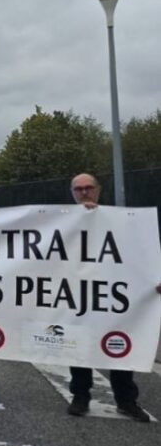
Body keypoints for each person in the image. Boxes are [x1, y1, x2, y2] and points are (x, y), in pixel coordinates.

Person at [64, 173, 158, 422]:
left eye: (88, 188)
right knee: (79, 346)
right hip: (79, 296)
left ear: (98, 190)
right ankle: (80, 396)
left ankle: (126, 400)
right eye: (78, 189)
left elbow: (143, 252)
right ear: (72, 193)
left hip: (115, 296)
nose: (84, 193)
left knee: (120, 347)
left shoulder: (120, 221)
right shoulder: (62, 220)